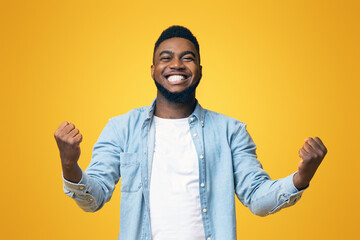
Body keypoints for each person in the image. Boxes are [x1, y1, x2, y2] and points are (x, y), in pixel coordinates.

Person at [54, 26, 327, 240]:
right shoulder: (121, 128)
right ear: (153, 71)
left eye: (188, 58)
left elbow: (256, 198)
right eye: (166, 58)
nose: (177, 64)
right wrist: (69, 165)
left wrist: (301, 176)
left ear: (199, 71)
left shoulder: (231, 131)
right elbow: (94, 198)